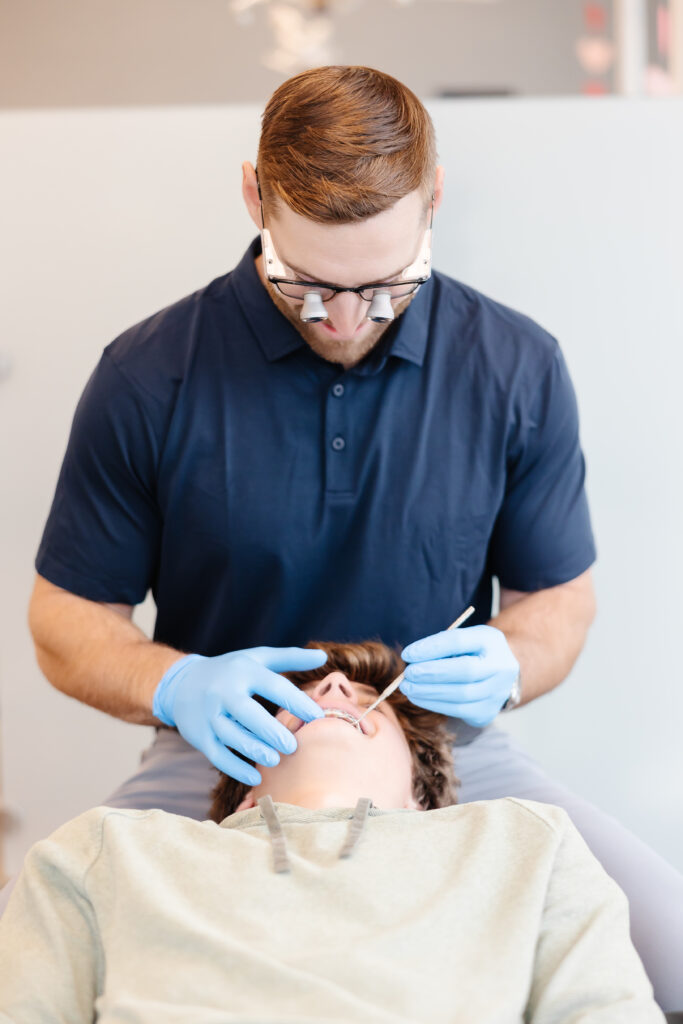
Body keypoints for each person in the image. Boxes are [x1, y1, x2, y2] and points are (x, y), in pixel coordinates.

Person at [21, 65, 683, 1008]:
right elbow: (65, 622)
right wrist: (172, 684)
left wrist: (510, 659)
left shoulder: (515, 367)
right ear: (255, 194)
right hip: (226, 747)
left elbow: (557, 604)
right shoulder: (147, 378)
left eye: (383, 288)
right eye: (307, 286)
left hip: (443, 739)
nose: (341, 320)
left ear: (433, 199)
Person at [0, 642, 665, 1023]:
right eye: (303, 696)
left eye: (360, 696)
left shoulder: (526, 844)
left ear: (420, 795)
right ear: (245, 788)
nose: (337, 685)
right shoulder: (106, 851)